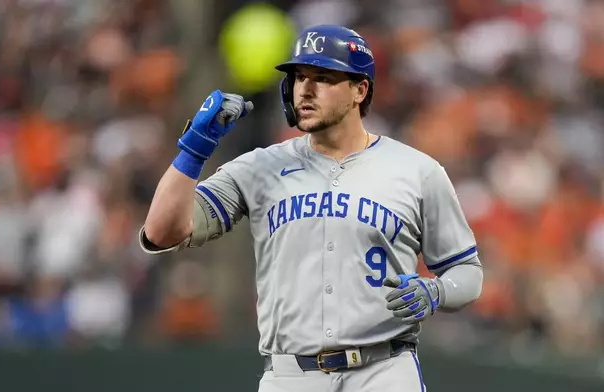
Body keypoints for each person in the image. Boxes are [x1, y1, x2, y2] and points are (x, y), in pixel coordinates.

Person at [139, 24, 483, 392]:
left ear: (359, 89)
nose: (306, 88)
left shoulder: (417, 170)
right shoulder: (260, 167)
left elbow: (467, 271)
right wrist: (194, 149)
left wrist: (437, 292)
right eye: (300, 76)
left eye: (323, 77)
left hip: (384, 370)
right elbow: (162, 231)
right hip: (291, 375)